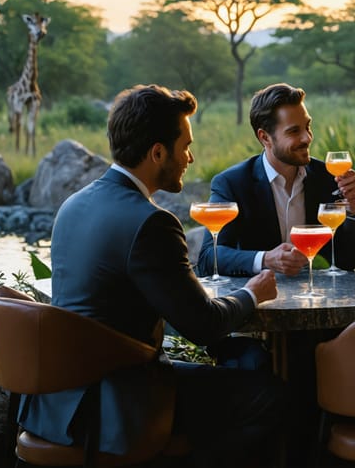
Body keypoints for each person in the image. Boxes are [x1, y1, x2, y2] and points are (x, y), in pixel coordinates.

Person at [18, 84, 290, 468]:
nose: (190, 158)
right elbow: (203, 325)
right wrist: (251, 292)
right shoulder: (152, 223)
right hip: (117, 404)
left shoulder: (73, 204)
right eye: (185, 147)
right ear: (157, 152)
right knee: (269, 394)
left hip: (58, 400)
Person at [197, 82, 355, 278]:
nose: (307, 138)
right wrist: (265, 259)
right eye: (294, 131)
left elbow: (347, 262)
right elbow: (209, 258)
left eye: (307, 127)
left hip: (310, 296)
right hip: (256, 300)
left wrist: (351, 209)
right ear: (265, 137)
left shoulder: (327, 178)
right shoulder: (233, 183)